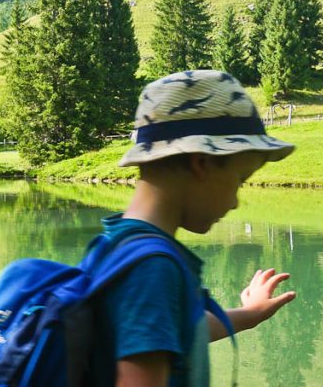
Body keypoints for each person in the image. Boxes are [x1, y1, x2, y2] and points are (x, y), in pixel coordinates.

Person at [93, 70, 297, 387]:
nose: (235, 203)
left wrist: (250, 313)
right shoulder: (151, 268)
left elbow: (173, 327)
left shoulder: (117, 242)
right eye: (239, 180)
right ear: (200, 163)